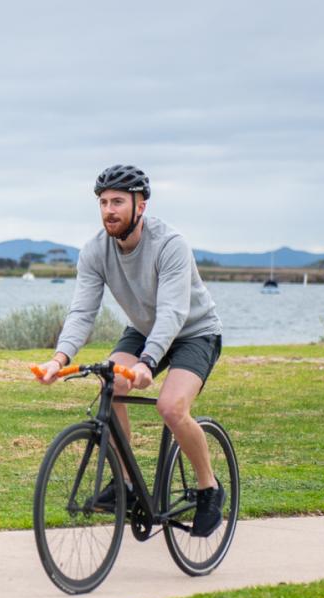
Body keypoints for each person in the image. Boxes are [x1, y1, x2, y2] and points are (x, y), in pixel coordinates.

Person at [35, 164, 226, 536]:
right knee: (111, 382)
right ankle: (125, 484)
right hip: (142, 330)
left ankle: (209, 487)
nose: (109, 210)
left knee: (170, 407)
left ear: (141, 206)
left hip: (194, 332)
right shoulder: (94, 251)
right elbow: (83, 311)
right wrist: (59, 358)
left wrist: (148, 362)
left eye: (118, 201)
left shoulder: (170, 245)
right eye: (104, 202)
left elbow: (173, 312)